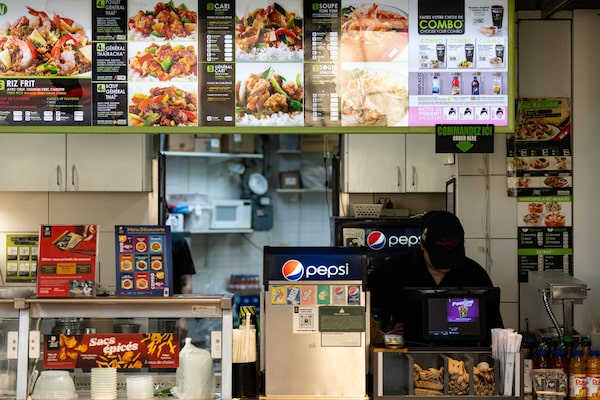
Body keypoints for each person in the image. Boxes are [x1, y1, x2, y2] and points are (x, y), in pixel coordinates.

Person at [368, 210, 503, 346]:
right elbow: (361, 306)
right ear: (422, 245)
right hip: (404, 353)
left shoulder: (475, 275)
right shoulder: (393, 271)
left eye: (452, 256)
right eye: (440, 256)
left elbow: (494, 330)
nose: (447, 263)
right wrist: (384, 336)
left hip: (465, 356)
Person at [171, 235, 197, 338]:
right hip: (138, 313)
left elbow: (186, 284)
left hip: (172, 315)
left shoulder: (177, 242)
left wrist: (183, 317)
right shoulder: (130, 239)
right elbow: (186, 284)